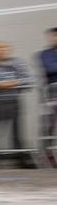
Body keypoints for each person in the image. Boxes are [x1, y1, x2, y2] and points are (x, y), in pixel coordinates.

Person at [39, 28, 57, 167]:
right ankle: (49, 156)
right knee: (51, 124)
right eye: (53, 36)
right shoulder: (45, 54)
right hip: (53, 92)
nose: (54, 38)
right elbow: (50, 68)